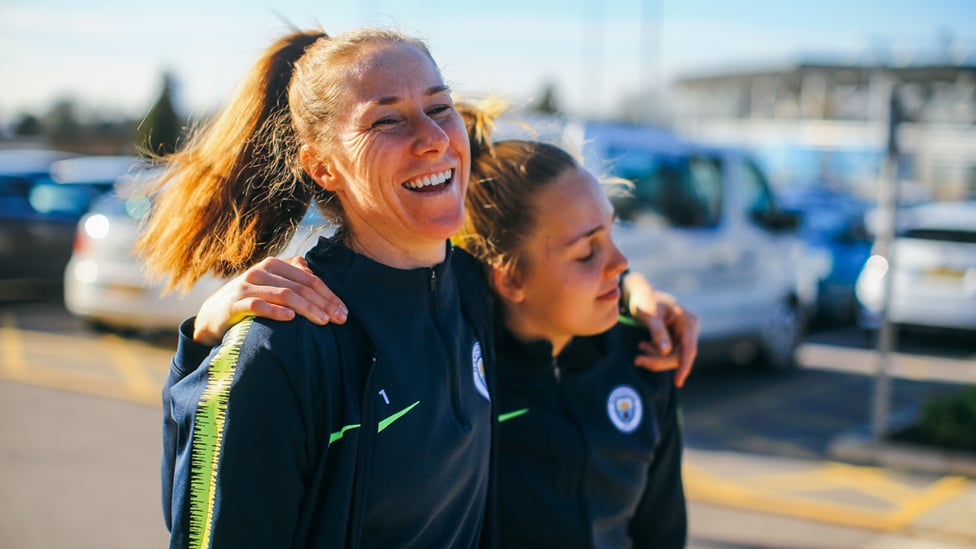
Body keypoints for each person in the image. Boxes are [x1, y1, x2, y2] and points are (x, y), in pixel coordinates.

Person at [183, 101, 696, 547]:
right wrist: (206, 335)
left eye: (611, 231)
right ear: (508, 279)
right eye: (587, 251)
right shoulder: (463, 359)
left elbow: (661, 533)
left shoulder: (645, 356)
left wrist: (638, 295)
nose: (619, 263)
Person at [137, 27, 499, 547]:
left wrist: (638, 303)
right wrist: (200, 355)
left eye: (440, 108)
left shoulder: (473, 291)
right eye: (387, 120)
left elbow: (567, 239)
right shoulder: (285, 343)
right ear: (321, 166)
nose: (435, 138)